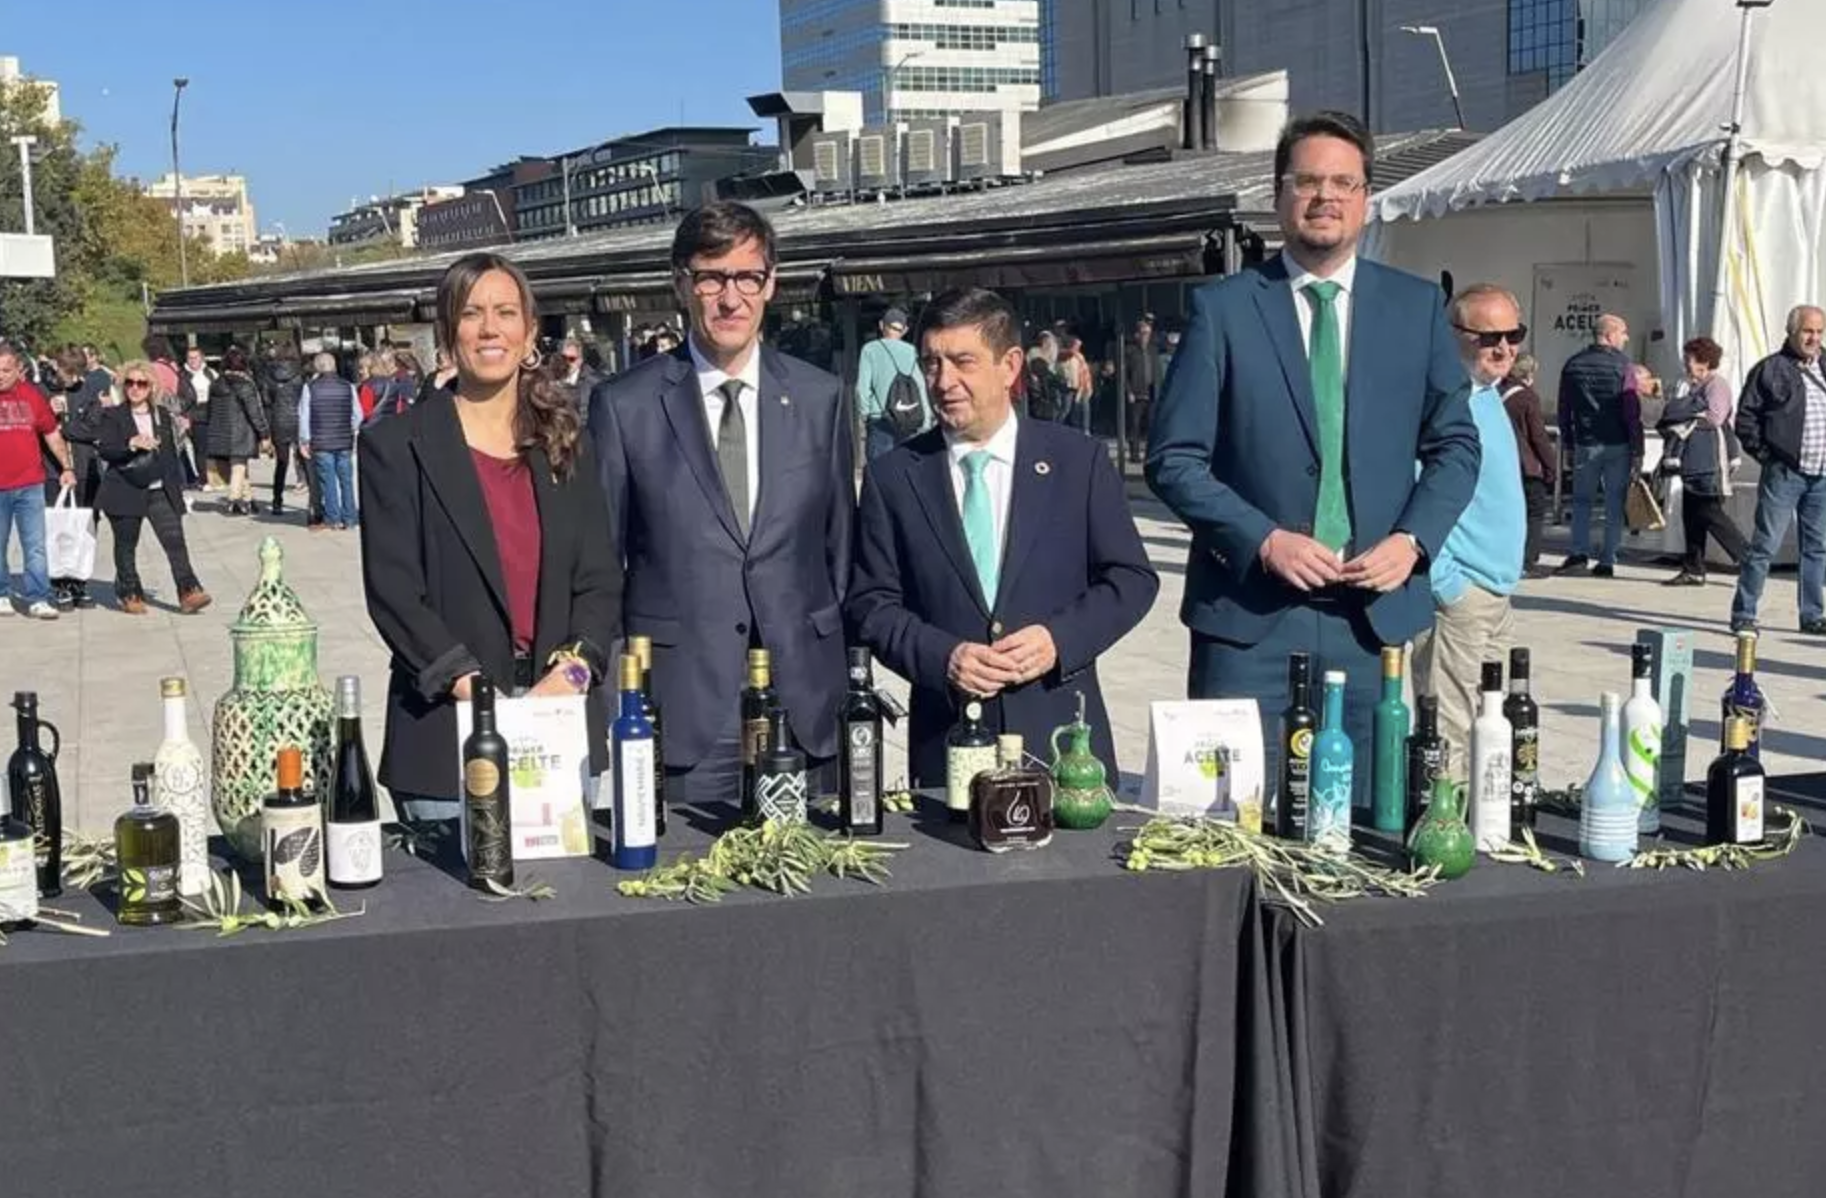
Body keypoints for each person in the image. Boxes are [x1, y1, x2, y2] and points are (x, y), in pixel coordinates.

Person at [1146, 110, 1480, 802]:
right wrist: (1262, 539)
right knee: (1231, 820)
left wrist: (1413, 542)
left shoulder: (1414, 309)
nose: (1325, 196)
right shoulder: (1225, 310)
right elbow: (1173, 458)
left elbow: (1455, 446)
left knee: (1367, 821)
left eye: (1344, 182)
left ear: (1364, 198)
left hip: (1375, 623)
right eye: (1308, 181)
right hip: (1249, 623)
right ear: (1278, 195)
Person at [587, 201, 854, 807]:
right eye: (712, 277)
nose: (730, 298)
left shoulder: (821, 399)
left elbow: (840, 550)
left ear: (771, 284)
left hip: (804, 702)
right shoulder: (625, 406)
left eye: (747, 277)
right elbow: (602, 563)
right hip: (685, 712)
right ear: (682, 284)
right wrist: (610, 698)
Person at [846, 288, 1158, 784]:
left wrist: (1059, 639)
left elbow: (1132, 580)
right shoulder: (894, 477)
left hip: (1060, 743)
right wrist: (943, 657)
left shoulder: (1078, 461)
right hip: (947, 746)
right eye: (931, 363)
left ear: (1010, 365)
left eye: (962, 362)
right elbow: (871, 605)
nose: (943, 381)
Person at [361, 252, 623, 819]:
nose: (489, 328)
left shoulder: (566, 442)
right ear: (448, 331)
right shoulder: (397, 447)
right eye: (472, 312)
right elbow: (395, 594)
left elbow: (600, 580)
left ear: (530, 331)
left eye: (506, 312)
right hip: (446, 738)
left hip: (559, 725)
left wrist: (574, 670)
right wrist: (472, 687)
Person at [1411, 285, 1528, 778]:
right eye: (1489, 338)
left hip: (1496, 591)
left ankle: (1480, 822)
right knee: (1450, 730)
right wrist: (1446, 584)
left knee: (1492, 722)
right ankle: (1444, 830)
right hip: (1462, 596)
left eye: (1514, 335)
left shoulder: (1487, 396)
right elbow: (1413, 491)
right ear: (1453, 335)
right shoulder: (1439, 401)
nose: (1504, 348)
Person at [1730, 305, 1826, 634]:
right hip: (1785, 473)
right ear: (1792, 332)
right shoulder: (1770, 369)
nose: (1814, 338)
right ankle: (1744, 613)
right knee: (1764, 546)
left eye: (1819, 331)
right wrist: (1767, 456)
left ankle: (1812, 615)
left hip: (1822, 475)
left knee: (1816, 547)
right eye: (1807, 331)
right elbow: (1745, 419)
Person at [94, 361, 211, 616]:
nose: (135, 388)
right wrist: (131, 443)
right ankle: (129, 591)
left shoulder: (162, 415)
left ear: (151, 387)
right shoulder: (113, 415)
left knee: (175, 541)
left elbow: (170, 456)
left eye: (141, 383)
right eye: (130, 383)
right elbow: (105, 449)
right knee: (126, 544)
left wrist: (177, 493)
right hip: (125, 487)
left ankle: (189, 590)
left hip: (159, 489)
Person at [1556, 314, 1643, 577]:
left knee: (1581, 500)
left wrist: (1569, 443)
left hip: (1586, 442)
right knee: (1613, 502)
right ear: (1609, 334)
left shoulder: (1573, 365)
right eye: (1623, 332)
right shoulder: (1624, 366)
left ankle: (1578, 553)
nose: (1626, 338)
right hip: (1617, 443)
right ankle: (1607, 559)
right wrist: (1637, 447)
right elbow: (1631, 411)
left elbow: (1564, 410)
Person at [1658, 336, 1746, 587]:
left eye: (1689, 359)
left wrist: (1684, 416)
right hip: (1694, 458)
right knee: (1692, 513)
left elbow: (1715, 418)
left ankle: (1747, 557)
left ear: (1704, 362)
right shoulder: (1693, 386)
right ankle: (1693, 567)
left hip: (1711, 458)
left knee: (1709, 511)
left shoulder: (1717, 385)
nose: (1685, 364)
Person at [0, 341, 78, 619]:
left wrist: (66, 467)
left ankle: (38, 597)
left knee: (34, 545)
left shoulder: (32, 397)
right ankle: (1, 594)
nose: (0, 375)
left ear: (19, 370)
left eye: (5, 370)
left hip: (29, 484)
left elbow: (51, 433)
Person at [1501, 353, 1556, 579]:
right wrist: (1550, 465)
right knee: (1534, 513)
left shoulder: (1497, 393)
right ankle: (1527, 561)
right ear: (1529, 374)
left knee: (1509, 514)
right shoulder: (1527, 398)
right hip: (1528, 465)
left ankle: (1507, 557)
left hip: (1504, 464)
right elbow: (1538, 437)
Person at [298, 352, 362, 530]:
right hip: (344, 441)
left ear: (317, 367)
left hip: (321, 441)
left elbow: (304, 416)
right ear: (334, 366)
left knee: (328, 481)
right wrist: (350, 428)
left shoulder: (310, 387)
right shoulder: (348, 386)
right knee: (346, 480)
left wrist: (304, 440)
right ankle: (350, 518)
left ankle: (332, 518)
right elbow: (358, 415)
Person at [855, 307, 928, 461]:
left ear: (882, 325)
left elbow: (862, 389)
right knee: (906, 469)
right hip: (908, 420)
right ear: (905, 329)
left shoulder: (869, 350)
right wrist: (926, 420)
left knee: (879, 473)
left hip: (880, 418)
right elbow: (920, 386)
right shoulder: (911, 350)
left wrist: (865, 414)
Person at [205, 346, 270, 516]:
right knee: (239, 466)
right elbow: (255, 412)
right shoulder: (246, 384)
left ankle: (249, 498)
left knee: (240, 465)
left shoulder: (216, 383)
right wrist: (264, 434)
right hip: (241, 431)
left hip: (220, 431)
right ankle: (234, 500)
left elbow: (210, 410)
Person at [261, 342, 309, 517]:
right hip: (298, 419)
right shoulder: (301, 373)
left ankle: (277, 501)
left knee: (281, 463)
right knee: (305, 460)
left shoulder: (269, 374)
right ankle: (314, 502)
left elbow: (266, 400)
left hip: (279, 420)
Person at [174, 343, 215, 491]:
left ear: (202, 358)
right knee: (200, 448)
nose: (192, 361)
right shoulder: (181, 375)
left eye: (195, 358)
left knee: (212, 447)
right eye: (190, 358)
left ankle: (214, 477)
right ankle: (204, 480)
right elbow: (179, 397)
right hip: (193, 414)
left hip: (210, 411)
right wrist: (183, 416)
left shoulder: (211, 373)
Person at [1122, 317, 1159, 461]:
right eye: (1143, 333)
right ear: (1137, 334)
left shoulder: (1153, 350)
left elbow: (1157, 371)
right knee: (1134, 426)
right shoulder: (1129, 351)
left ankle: (1150, 454)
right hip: (1136, 393)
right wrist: (1129, 391)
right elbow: (1124, 374)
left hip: (1152, 392)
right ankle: (1134, 454)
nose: (1146, 337)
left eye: (1148, 334)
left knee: (1151, 426)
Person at [557, 336, 602, 410]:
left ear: (580, 360)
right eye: (563, 358)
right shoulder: (551, 380)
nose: (567, 363)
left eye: (571, 359)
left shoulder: (594, 383)